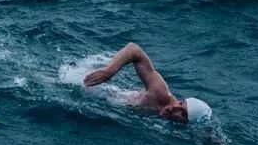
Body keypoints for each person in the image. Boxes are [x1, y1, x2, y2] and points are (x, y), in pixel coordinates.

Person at [83, 42, 212, 124]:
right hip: (95, 90)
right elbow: (134, 50)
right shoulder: (160, 93)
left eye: (183, 114)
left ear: (185, 123)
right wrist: (109, 71)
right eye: (181, 103)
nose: (175, 108)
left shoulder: (170, 125)